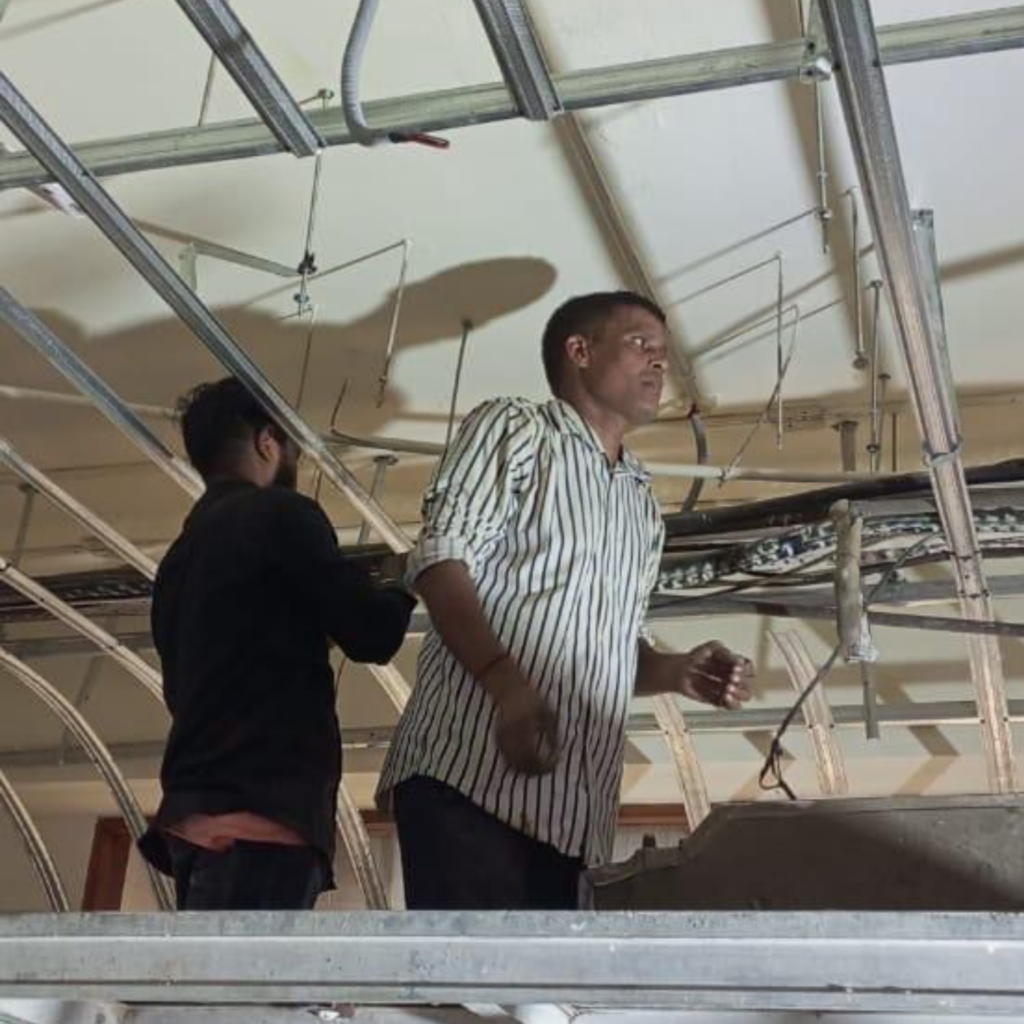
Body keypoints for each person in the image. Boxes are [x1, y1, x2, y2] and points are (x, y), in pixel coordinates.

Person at [376, 291, 754, 910]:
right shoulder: (517, 428)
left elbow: (614, 646)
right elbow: (442, 561)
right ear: (580, 351)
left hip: (574, 821)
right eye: (641, 344)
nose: (660, 363)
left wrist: (675, 671)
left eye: (664, 353)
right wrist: (505, 683)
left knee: (544, 978)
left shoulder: (640, 503)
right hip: (470, 781)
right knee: (472, 972)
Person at [138, 377, 414, 910]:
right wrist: (402, 583)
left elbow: (185, 686)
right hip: (263, 810)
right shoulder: (282, 514)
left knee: (216, 964)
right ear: (267, 442)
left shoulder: (177, 561)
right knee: (247, 967)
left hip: (197, 816)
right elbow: (371, 635)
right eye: (291, 449)